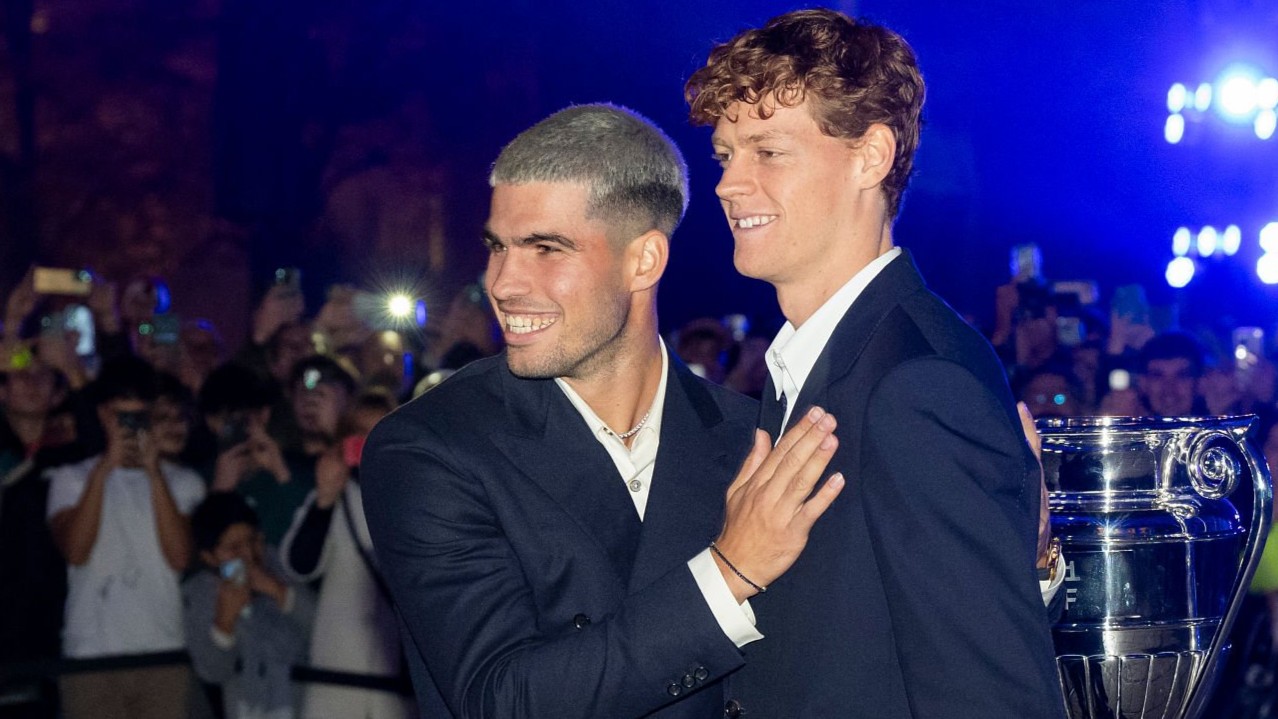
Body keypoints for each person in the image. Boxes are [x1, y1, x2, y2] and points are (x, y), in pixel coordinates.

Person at [361, 103, 843, 719]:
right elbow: (503, 701)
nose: (503, 283)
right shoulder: (432, 446)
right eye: (498, 247)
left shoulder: (753, 437)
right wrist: (727, 574)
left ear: (644, 260)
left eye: (546, 249)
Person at [685, 9, 1065, 717]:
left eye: (767, 151)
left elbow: (991, 697)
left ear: (871, 156)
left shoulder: (918, 383)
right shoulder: (819, 362)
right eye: (725, 156)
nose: (728, 184)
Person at [45, 356, 206, 719]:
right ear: (103, 414)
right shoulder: (70, 478)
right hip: (90, 657)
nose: (132, 427)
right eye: (123, 416)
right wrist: (104, 469)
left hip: (162, 652)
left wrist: (153, 472)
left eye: (141, 416)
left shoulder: (184, 482)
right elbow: (75, 551)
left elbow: (180, 558)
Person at [280, 390, 415, 719]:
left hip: (397, 681)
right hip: (337, 677)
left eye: (380, 431)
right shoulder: (332, 497)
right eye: (359, 435)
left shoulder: (417, 499)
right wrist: (325, 499)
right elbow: (299, 565)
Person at [184, 491, 315, 719]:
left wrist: (279, 592)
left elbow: (326, 630)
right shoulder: (200, 592)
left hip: (303, 705)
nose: (248, 554)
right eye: (234, 548)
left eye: (253, 540)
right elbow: (212, 672)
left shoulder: (283, 566)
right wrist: (224, 622)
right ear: (210, 557)